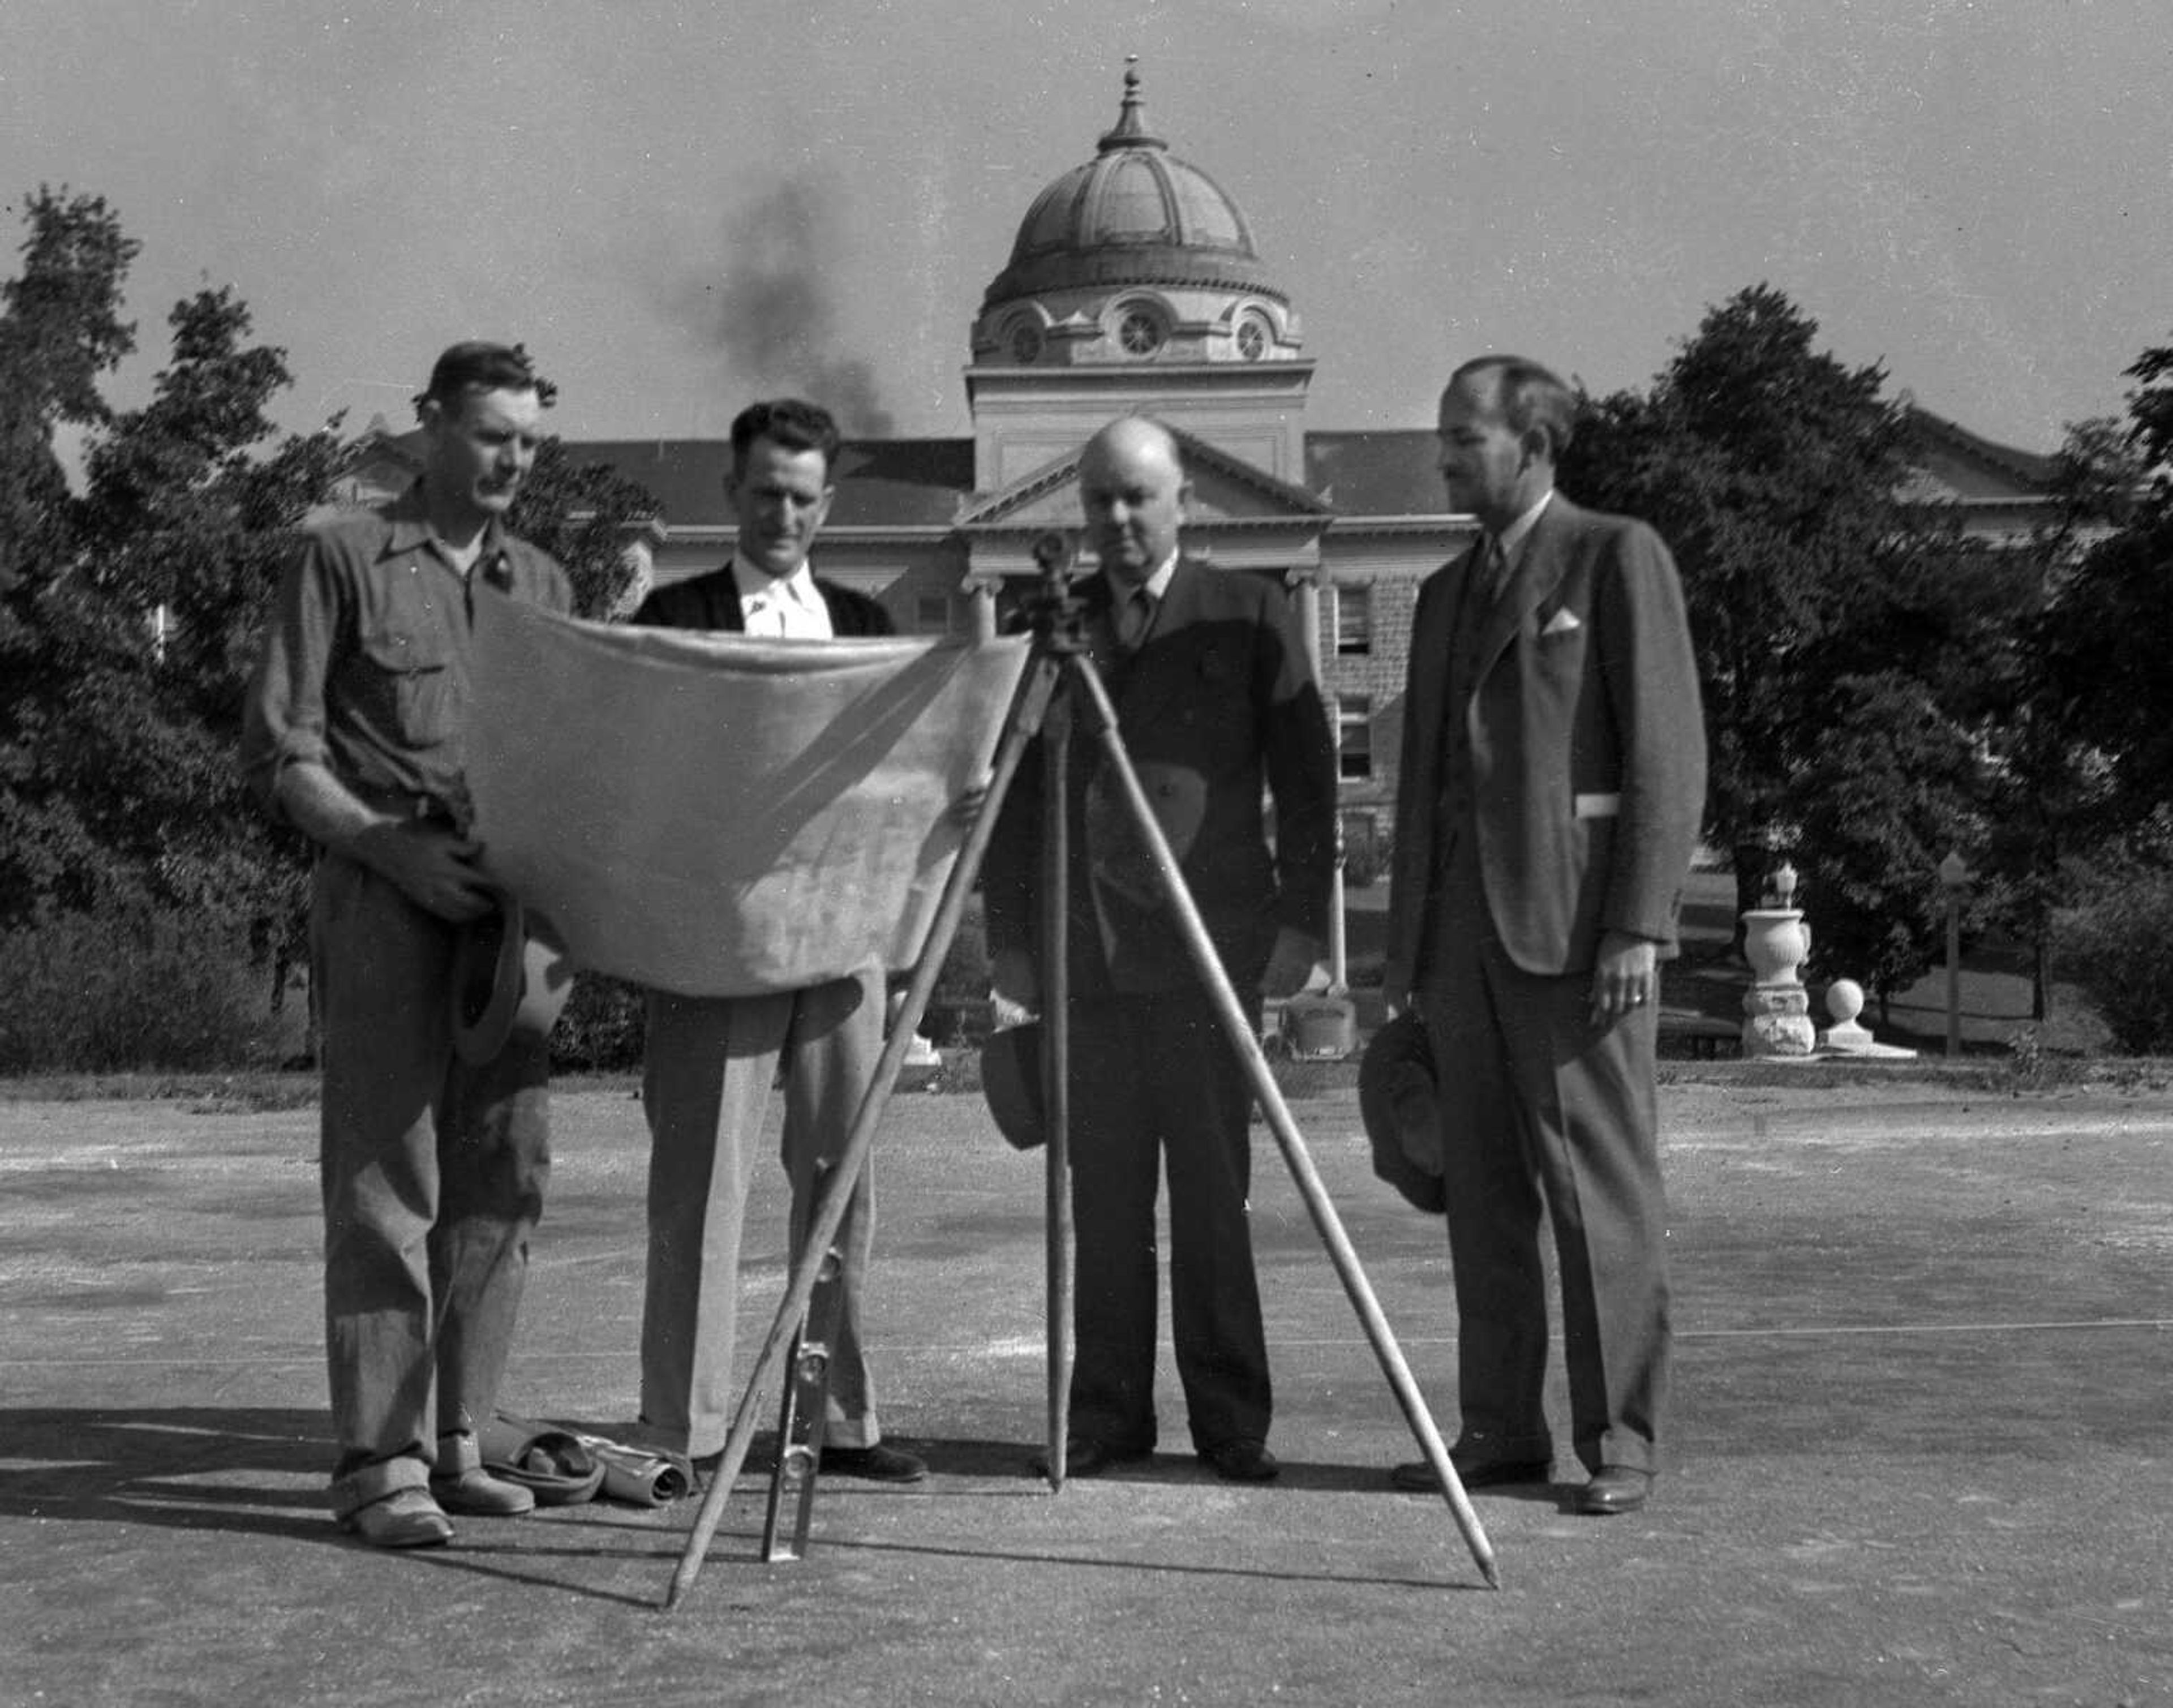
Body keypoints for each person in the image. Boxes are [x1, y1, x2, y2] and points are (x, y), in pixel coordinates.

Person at [242, 341, 569, 1547]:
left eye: (529, 442)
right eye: (491, 435)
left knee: (507, 1175)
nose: (512, 460)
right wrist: (392, 849)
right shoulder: (339, 555)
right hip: (384, 895)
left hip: (512, 914)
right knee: (389, 1183)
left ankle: (461, 1438)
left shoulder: (541, 580)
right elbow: (287, 757)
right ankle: (377, 1462)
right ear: (430, 425)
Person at [1382, 355, 1707, 1517]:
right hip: (1458, 941)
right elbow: (1423, 783)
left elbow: (1668, 756)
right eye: (1445, 437)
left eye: (1467, 438)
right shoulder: (1437, 594)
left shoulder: (1616, 556)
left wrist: (1638, 927)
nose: (1448, 457)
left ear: (1535, 444)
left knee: (1597, 1194)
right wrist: (1407, 958)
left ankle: (1621, 1439)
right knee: (1481, 1194)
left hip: (1579, 939)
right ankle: (1501, 1430)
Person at [985, 415, 1336, 1483]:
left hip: (1208, 956)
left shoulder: (1251, 609)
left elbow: (1311, 781)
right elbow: (1008, 800)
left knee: (1212, 1194)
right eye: (1099, 501)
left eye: (1139, 497)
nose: (1119, 520)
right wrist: (1012, 941)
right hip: (1087, 956)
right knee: (1104, 1195)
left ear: (1186, 499)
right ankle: (1106, 1415)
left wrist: (1302, 929)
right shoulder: (1054, 623)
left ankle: (1232, 1419)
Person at [625, 397, 926, 1485]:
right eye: (766, 493)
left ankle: (834, 1421)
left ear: (827, 504)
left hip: (843, 940)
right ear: (732, 492)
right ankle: (687, 1429)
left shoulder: (866, 621)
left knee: (844, 1180)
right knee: (702, 1184)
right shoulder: (674, 614)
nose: (784, 513)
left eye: (804, 497)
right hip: (718, 944)